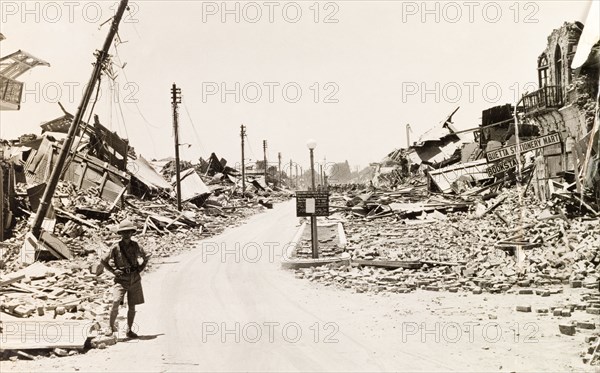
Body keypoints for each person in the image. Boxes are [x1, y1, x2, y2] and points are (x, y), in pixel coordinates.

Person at [101, 219, 150, 338]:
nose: (127, 234)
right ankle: (111, 328)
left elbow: (147, 256)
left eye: (129, 232)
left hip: (134, 278)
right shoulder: (116, 247)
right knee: (116, 301)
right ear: (121, 234)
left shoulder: (136, 245)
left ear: (132, 233)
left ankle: (129, 330)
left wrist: (141, 268)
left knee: (132, 305)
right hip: (121, 279)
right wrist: (113, 271)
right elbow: (103, 260)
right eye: (124, 232)